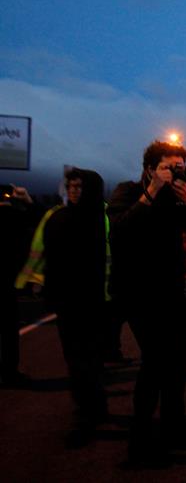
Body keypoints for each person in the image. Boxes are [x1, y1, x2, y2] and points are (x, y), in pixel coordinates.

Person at [107, 139, 186, 465]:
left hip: (171, 292)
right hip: (138, 293)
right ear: (150, 169)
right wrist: (152, 191)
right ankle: (138, 443)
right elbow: (120, 232)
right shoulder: (127, 192)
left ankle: (175, 430)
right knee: (155, 364)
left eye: (179, 168)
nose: (175, 174)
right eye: (168, 168)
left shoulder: (176, 199)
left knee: (177, 363)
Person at [36, 169, 109, 447]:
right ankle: (93, 407)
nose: (75, 190)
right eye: (71, 185)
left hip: (93, 301)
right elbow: (50, 256)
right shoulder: (58, 217)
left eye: (80, 186)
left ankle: (87, 415)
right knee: (77, 360)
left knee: (85, 361)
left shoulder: (99, 220)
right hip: (67, 302)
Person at [1, 184, 38, 387]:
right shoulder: (15, 217)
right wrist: (27, 200)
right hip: (8, 282)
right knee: (8, 331)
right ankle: (8, 373)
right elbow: (39, 220)